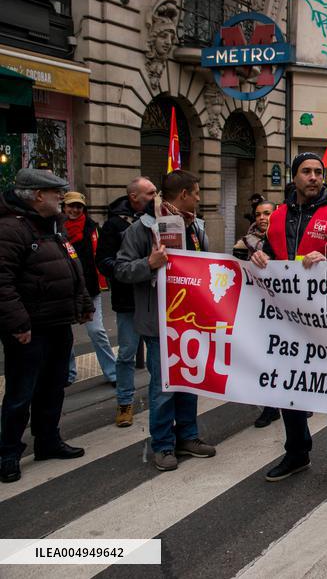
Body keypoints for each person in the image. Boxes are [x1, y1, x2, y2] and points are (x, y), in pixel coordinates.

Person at [251, 152, 327, 485]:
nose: (314, 177)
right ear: (294, 176)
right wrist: (260, 255)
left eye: (318, 172)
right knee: (290, 388)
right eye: (307, 172)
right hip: (288, 320)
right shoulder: (279, 214)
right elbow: (274, 254)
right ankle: (297, 452)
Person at [115, 170, 217, 472]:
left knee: (188, 380)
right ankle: (162, 444)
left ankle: (188, 436)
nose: (199, 199)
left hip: (189, 318)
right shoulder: (142, 229)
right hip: (159, 322)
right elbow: (120, 269)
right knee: (163, 385)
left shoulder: (196, 227)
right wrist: (149, 264)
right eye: (196, 193)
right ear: (183, 194)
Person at [0, 169, 94, 483]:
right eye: (56, 193)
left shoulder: (54, 227)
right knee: (20, 392)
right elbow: (3, 283)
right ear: (38, 195)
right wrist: (18, 323)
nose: (62, 198)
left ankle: (48, 440)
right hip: (29, 329)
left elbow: (72, 266)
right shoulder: (11, 229)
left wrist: (83, 303)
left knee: (53, 387)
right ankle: (9, 451)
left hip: (57, 324)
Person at [96, 176, 157, 428]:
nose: (156, 197)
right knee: (127, 354)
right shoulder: (114, 225)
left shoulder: (161, 221)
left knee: (156, 356)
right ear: (135, 197)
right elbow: (106, 262)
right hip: (129, 300)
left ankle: (158, 399)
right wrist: (137, 270)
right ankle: (124, 403)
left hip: (154, 300)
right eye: (151, 193)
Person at [231, 200, 282, 428]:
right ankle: (270, 408)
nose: (262, 217)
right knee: (266, 358)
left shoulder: (284, 237)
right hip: (259, 307)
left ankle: (300, 402)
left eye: (267, 213)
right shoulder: (245, 242)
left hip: (286, 307)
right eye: (259, 214)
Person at [62, 191, 117, 386]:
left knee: (96, 332)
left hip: (89, 289)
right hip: (65, 290)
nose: (74, 210)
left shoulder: (93, 229)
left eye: (78, 206)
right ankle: (68, 374)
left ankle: (113, 373)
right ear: (64, 207)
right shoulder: (57, 229)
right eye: (71, 206)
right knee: (65, 336)